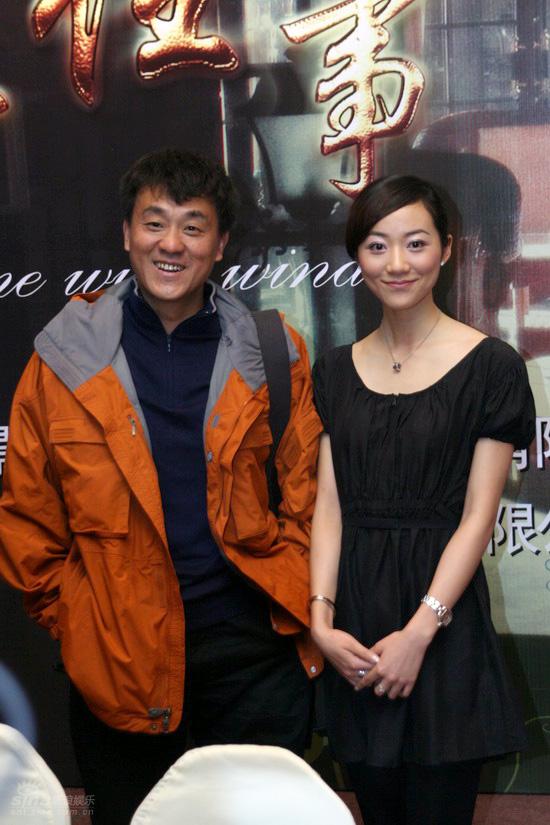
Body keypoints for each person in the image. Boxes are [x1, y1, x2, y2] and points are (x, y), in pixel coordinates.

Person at [0, 148, 322, 824]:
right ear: (127, 233)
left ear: (220, 243)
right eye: (154, 222)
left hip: (251, 662)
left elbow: (309, 500)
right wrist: (80, 622)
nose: (171, 243)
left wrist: (291, 600)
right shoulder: (63, 359)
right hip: (118, 659)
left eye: (193, 226)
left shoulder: (272, 351)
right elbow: (28, 517)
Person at [310, 175, 535, 825]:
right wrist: (321, 621)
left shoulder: (491, 366)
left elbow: (478, 516)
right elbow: (330, 506)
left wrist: (421, 629)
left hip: (442, 628)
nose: (397, 263)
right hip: (355, 629)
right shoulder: (334, 369)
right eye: (377, 245)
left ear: (447, 249)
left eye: (415, 243)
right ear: (358, 255)